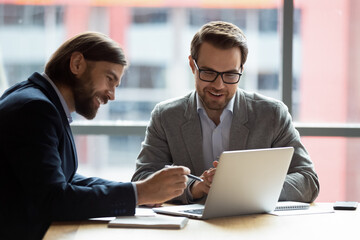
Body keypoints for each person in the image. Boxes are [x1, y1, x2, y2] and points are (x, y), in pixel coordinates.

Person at [0, 32, 190, 240]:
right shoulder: (36, 109)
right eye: (110, 79)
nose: (112, 95)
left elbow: (66, 179)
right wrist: (140, 193)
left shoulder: (39, 100)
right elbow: (54, 200)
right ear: (77, 64)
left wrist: (138, 192)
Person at [132, 21, 320, 205]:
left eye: (230, 75)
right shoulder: (166, 116)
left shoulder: (271, 115)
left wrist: (253, 188)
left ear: (241, 70)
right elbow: (142, 179)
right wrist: (193, 187)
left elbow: (308, 180)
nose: (218, 85)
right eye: (208, 72)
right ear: (192, 65)